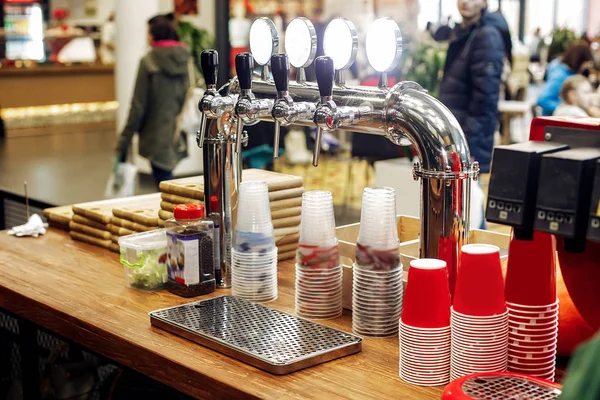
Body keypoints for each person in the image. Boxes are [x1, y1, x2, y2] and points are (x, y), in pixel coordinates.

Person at [115, 15, 191, 187]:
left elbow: (137, 106)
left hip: (155, 133)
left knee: (164, 184)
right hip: (176, 131)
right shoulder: (185, 59)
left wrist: (123, 141)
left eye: (148, 33)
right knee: (166, 179)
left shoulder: (148, 61)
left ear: (154, 35)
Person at [439, 0, 505, 176]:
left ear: (484, 3)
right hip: (454, 133)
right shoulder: (463, 34)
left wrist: (467, 143)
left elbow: (485, 99)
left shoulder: (487, 36)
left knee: (469, 199)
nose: (465, 1)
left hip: (467, 139)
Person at [536, 41, 593, 116]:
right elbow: (543, 100)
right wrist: (565, 107)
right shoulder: (560, 76)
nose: (585, 68)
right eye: (584, 64)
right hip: (554, 120)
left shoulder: (564, 70)